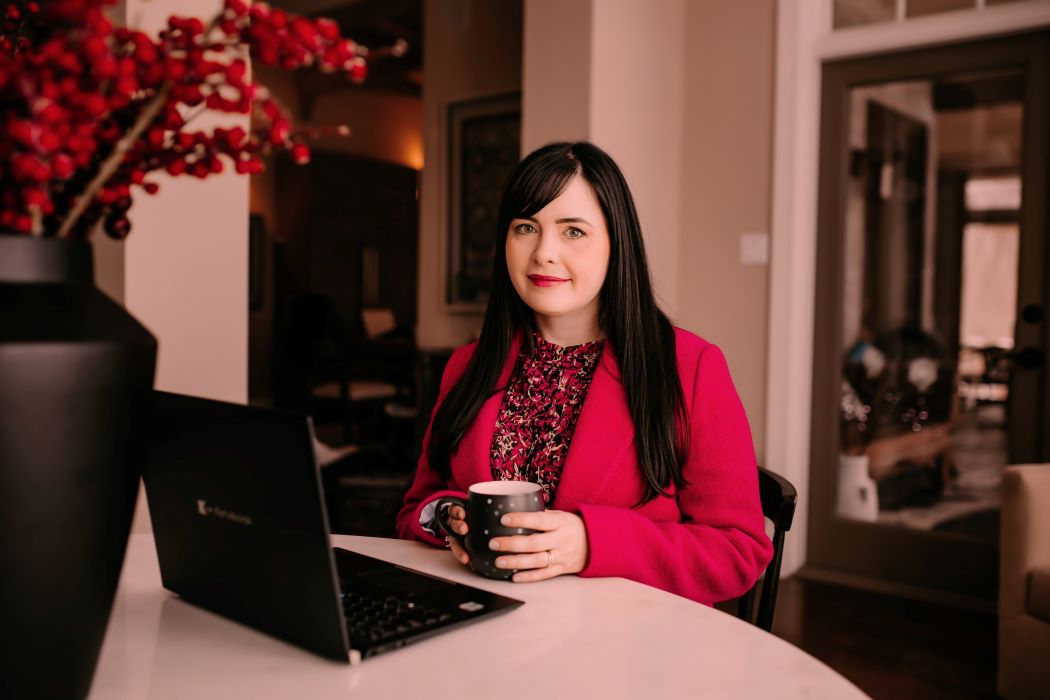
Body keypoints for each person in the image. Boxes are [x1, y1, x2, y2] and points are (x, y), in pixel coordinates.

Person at [396, 142, 772, 605]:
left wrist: (590, 543)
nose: (543, 254)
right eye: (526, 228)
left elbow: (738, 551)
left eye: (573, 232)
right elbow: (418, 507)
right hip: (483, 624)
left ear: (617, 243)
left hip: (625, 648)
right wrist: (449, 516)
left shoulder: (690, 368)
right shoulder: (467, 366)